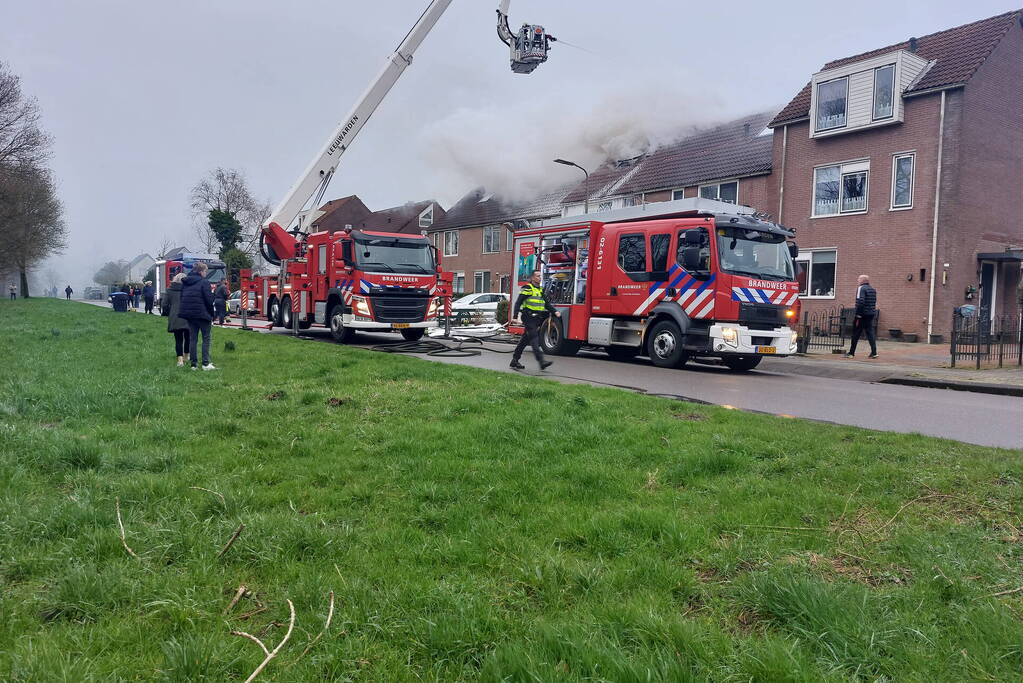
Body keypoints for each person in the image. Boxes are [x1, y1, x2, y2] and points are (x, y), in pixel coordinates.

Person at [509, 270, 560, 371]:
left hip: (536, 319)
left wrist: (555, 312)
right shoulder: (527, 288)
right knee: (534, 338)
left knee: (525, 340)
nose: (540, 278)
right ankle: (541, 361)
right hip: (528, 317)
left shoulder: (540, 290)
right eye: (537, 276)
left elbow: (546, 304)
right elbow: (518, 302)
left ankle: (515, 360)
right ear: (532, 278)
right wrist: (515, 316)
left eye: (540, 276)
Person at [179, 262, 217, 370]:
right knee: (206, 338)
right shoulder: (204, 282)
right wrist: (211, 314)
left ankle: (193, 364)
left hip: (190, 315)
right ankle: (205, 363)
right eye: (205, 271)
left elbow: (182, 298)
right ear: (201, 271)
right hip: (203, 314)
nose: (206, 273)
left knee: (193, 339)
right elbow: (209, 301)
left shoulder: (186, 282)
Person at [160, 272, 190, 366]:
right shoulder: (189, 289)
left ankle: (180, 360)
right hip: (187, 316)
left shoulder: (169, 290)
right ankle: (186, 356)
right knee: (188, 338)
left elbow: (164, 305)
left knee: (178, 339)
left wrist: (170, 312)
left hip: (175, 316)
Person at [845, 274, 878, 359]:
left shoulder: (861, 288)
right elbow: (873, 302)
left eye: (859, 279)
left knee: (855, 333)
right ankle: (874, 352)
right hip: (870, 314)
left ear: (863, 280)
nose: (858, 280)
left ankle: (851, 353)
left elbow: (860, 302)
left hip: (862, 315)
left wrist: (858, 314)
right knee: (870, 333)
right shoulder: (873, 290)